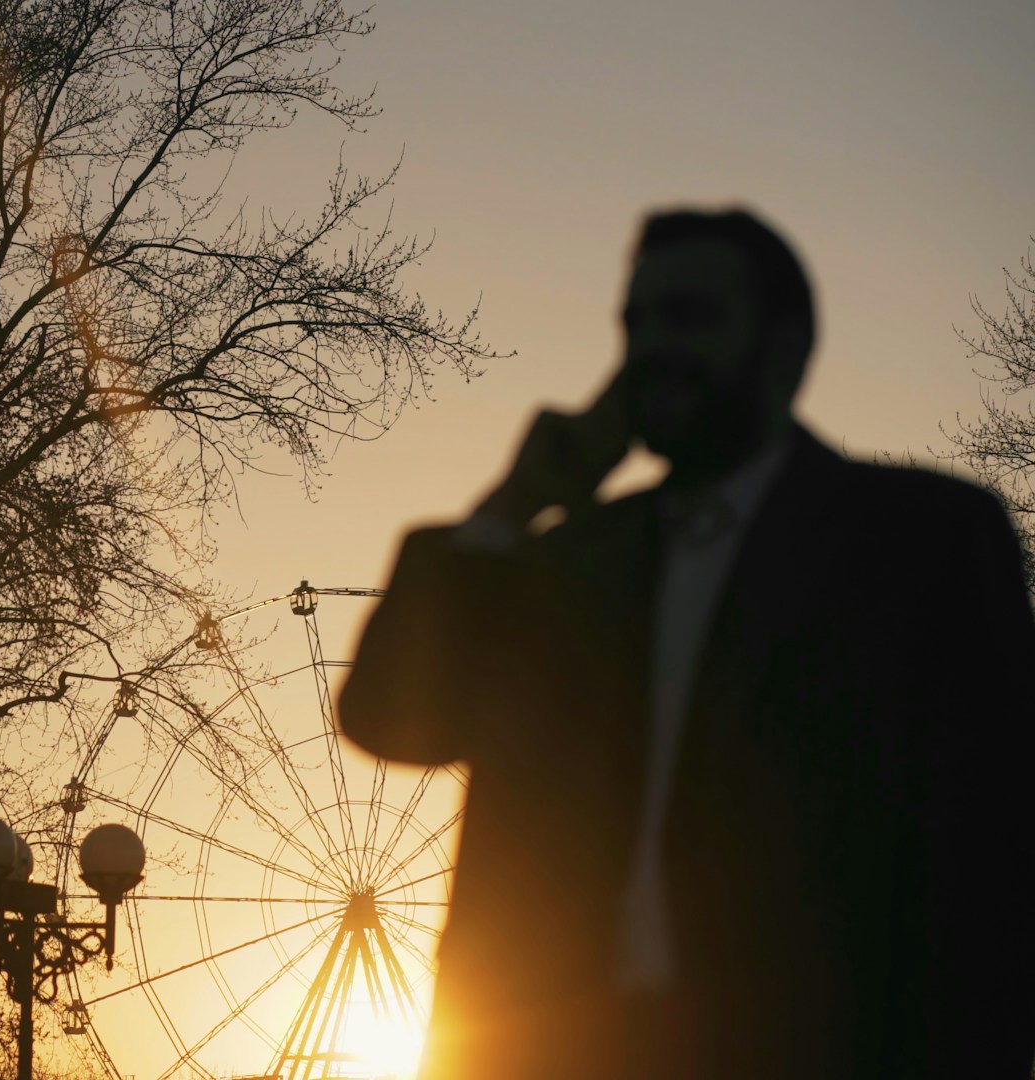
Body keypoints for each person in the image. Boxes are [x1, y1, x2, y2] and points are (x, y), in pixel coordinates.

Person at [336, 207, 1035, 1079]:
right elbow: (393, 718)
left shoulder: (921, 541)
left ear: (785, 345)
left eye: (692, 319)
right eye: (637, 324)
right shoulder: (566, 563)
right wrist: (512, 505)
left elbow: (992, 858)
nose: (654, 348)